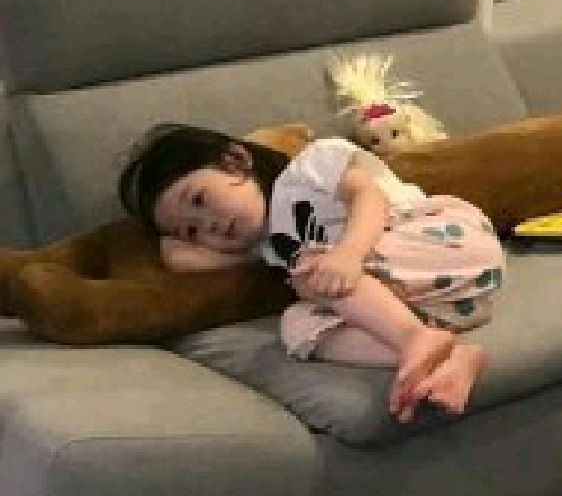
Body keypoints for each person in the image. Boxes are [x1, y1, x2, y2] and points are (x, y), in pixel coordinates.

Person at [118, 123, 504, 422]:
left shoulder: (308, 169)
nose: (210, 225)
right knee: (299, 329)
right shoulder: (271, 248)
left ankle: (415, 338)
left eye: (199, 199)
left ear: (235, 159)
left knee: (311, 274)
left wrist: (349, 253)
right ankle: (447, 359)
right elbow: (185, 262)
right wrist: (174, 244)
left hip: (443, 241)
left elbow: (370, 197)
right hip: (450, 301)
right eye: (192, 230)